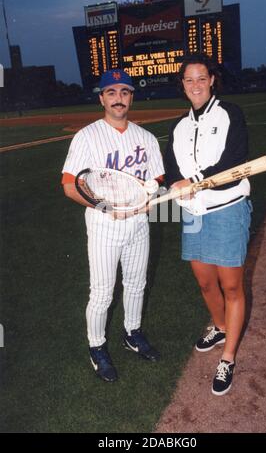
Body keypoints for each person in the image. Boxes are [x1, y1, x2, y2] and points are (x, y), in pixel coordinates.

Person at [62, 69, 164, 382]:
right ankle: (97, 346)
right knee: (103, 293)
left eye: (124, 92)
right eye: (111, 92)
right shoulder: (87, 136)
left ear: (131, 96)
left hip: (139, 224)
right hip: (104, 225)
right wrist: (104, 206)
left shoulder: (145, 138)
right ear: (101, 98)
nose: (118, 98)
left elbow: (157, 178)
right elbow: (69, 185)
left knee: (136, 284)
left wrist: (150, 194)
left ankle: (132, 333)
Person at [164, 54, 252, 396]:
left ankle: (228, 357)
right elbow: (172, 168)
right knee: (204, 283)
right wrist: (175, 185)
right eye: (189, 80)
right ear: (183, 85)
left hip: (227, 208)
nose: (196, 85)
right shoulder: (179, 126)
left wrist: (195, 180)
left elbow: (234, 159)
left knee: (231, 287)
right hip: (192, 214)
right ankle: (218, 325)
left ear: (212, 79)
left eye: (202, 78)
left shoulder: (230, 113)